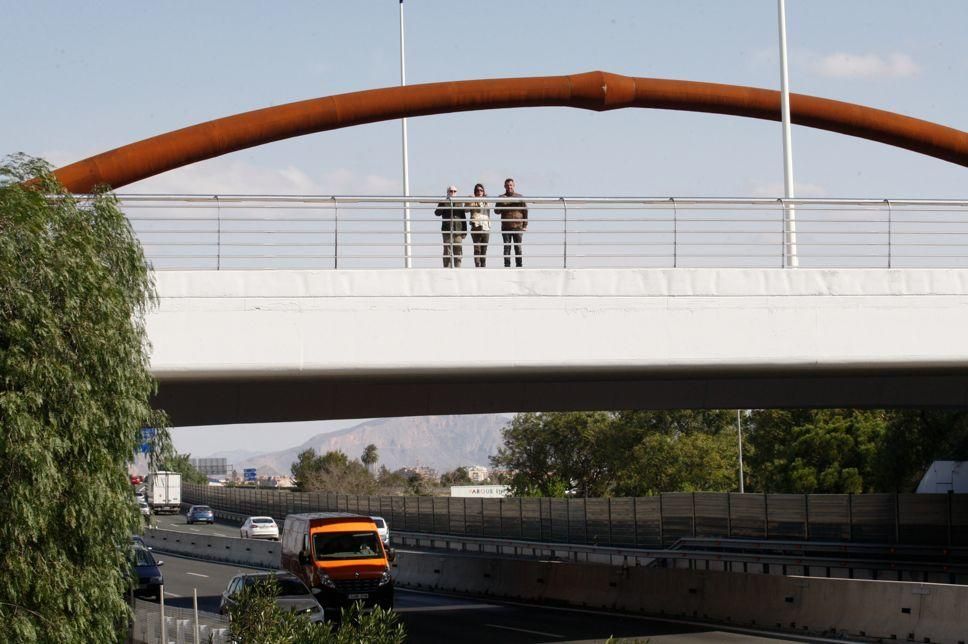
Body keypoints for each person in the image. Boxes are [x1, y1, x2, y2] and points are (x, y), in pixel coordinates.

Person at [494, 177, 528, 267]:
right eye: (508, 185)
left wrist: (525, 225)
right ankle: (507, 266)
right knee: (507, 247)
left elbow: (525, 211)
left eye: (511, 185)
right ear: (504, 186)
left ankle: (519, 266)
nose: (509, 187)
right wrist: (503, 203)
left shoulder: (520, 197)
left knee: (518, 247)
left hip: (518, 226)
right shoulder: (501, 197)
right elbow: (496, 211)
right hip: (506, 226)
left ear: (514, 186)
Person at [434, 185, 467, 267]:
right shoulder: (443, 202)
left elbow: (463, 217)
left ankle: (458, 268)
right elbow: (437, 213)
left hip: (458, 231)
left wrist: (464, 231)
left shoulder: (460, 203)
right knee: (447, 252)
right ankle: (447, 269)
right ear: (447, 192)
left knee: (458, 251)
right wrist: (444, 203)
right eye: (451, 191)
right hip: (447, 230)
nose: (453, 193)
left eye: (454, 191)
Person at [467, 183, 491, 267]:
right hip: (476, 227)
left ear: (483, 191)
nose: (479, 192)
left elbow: (490, 206)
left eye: (481, 190)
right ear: (475, 192)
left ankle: (483, 266)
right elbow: (466, 210)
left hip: (486, 227)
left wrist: (485, 199)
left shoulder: (486, 200)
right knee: (477, 249)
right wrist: (470, 200)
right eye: (477, 190)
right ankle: (477, 266)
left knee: (484, 250)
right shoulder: (472, 201)